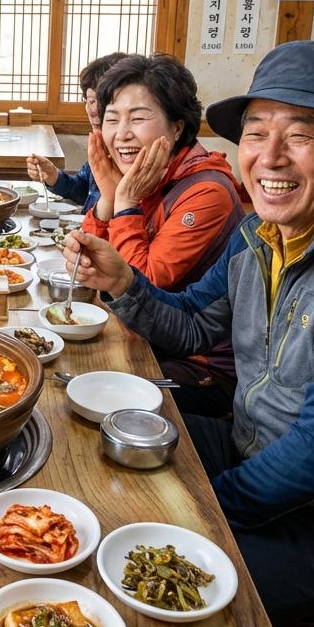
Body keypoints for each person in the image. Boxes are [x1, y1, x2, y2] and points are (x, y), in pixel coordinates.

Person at [63, 40, 314, 625]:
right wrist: (124, 283)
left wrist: (198, 511)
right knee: (91, 448)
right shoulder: (259, 234)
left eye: (300, 135)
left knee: (139, 589)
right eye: (257, 133)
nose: (270, 157)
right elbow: (191, 325)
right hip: (249, 447)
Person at [83, 54, 245, 414]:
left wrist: (126, 203)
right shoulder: (146, 178)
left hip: (199, 368)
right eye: (112, 119)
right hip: (144, 337)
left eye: (138, 118)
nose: (121, 133)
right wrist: (108, 199)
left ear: (176, 128)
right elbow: (88, 266)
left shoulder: (206, 191)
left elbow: (140, 286)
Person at [26, 52, 128, 212]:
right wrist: (54, 176)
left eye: (97, 101)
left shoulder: (128, 152)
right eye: (88, 100)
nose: (92, 110)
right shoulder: (100, 142)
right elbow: (83, 190)